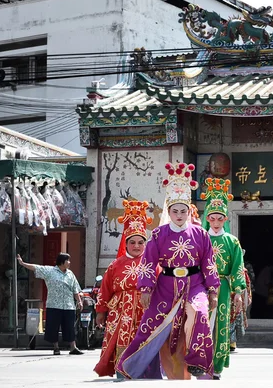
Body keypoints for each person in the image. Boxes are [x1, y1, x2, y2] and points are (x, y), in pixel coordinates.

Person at [116, 162, 220, 380]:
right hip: (165, 284)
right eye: (175, 211)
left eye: (183, 211)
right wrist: (145, 288)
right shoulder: (158, 234)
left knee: (199, 313)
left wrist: (213, 290)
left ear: (188, 211)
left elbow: (209, 262)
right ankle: (129, 366)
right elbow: (148, 262)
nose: (179, 215)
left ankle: (198, 363)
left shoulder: (200, 234)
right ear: (169, 211)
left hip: (195, 283)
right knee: (149, 325)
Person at [94, 200, 159, 378]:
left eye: (140, 242)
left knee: (144, 339)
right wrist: (101, 311)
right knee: (121, 338)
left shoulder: (153, 263)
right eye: (132, 242)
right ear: (126, 242)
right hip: (121, 309)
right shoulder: (115, 265)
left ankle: (145, 370)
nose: (136, 246)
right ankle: (121, 371)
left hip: (145, 308)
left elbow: (162, 287)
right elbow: (105, 289)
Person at [199, 177, 246, 379]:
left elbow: (237, 267)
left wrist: (238, 292)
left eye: (220, 218)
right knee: (200, 323)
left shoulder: (232, 241)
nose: (216, 222)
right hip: (200, 287)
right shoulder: (200, 238)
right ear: (207, 218)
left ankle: (216, 366)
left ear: (226, 219)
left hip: (224, 286)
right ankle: (199, 362)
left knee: (220, 325)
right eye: (212, 218)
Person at [17, 252, 84, 355]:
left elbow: (75, 290)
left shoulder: (70, 274)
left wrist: (79, 301)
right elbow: (36, 267)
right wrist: (23, 263)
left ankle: (73, 347)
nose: (69, 262)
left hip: (69, 305)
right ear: (62, 262)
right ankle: (56, 347)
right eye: (68, 260)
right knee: (53, 327)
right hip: (54, 305)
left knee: (70, 327)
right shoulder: (50, 271)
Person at [229, 267, 253, 352]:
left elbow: (247, 284)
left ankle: (232, 342)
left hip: (237, 297)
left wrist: (248, 296)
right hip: (226, 294)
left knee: (235, 319)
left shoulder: (242, 270)